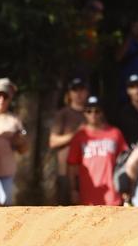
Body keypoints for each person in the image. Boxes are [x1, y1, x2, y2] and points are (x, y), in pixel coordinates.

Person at [67, 95, 127, 206]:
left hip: (112, 195)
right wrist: (73, 190)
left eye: (97, 111)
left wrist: (126, 187)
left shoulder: (115, 133)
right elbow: (72, 166)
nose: (93, 114)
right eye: (89, 111)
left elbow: (124, 162)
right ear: (84, 113)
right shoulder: (80, 136)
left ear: (102, 112)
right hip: (88, 196)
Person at [49, 76, 90, 204]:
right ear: (69, 93)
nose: (78, 93)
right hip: (65, 172)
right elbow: (53, 142)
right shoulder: (63, 114)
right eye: (75, 90)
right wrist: (76, 134)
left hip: (88, 173)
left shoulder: (93, 112)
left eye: (81, 90)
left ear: (87, 92)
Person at [0, 78, 28, 206]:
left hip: (5, 172)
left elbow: (24, 149)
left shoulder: (14, 120)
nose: (1, 99)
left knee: (5, 207)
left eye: (5, 96)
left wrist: (20, 141)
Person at [113, 74, 138, 150]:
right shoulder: (122, 113)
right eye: (132, 87)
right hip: (132, 151)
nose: (136, 91)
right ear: (128, 91)